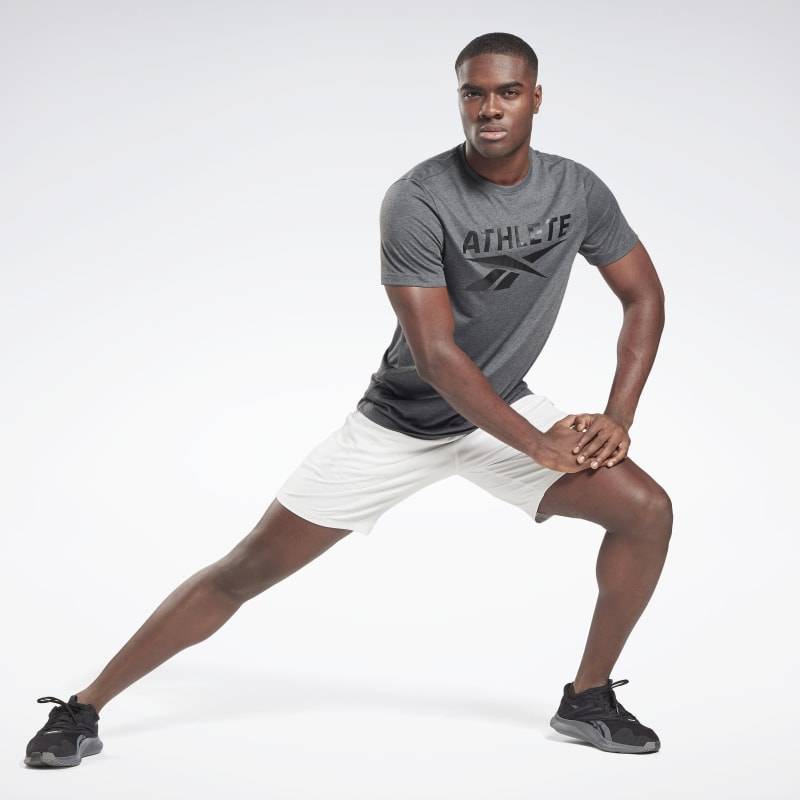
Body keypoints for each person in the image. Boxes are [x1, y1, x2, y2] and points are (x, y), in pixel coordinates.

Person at [24, 31, 670, 768]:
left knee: (646, 512)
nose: (490, 108)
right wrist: (536, 443)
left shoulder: (576, 190)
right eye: (474, 93)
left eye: (507, 92)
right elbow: (436, 357)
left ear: (536, 99)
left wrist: (618, 416)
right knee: (245, 570)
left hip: (501, 409)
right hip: (402, 423)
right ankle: (83, 708)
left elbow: (643, 295)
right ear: (459, 99)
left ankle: (587, 698)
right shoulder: (419, 199)